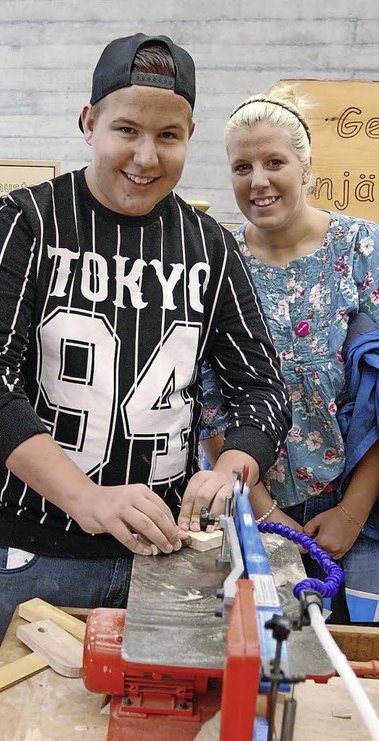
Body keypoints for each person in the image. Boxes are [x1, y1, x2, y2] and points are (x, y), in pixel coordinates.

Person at [0, 33, 291, 675]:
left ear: (190, 136)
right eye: (126, 129)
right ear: (88, 122)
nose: (145, 156)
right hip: (36, 550)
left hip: (166, 554)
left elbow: (263, 387)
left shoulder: (209, 244)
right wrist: (87, 497)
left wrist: (233, 470)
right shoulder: (29, 221)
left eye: (169, 136)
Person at [201, 83, 379, 623]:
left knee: (359, 667)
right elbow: (208, 404)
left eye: (274, 161)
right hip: (253, 508)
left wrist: (351, 512)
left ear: (306, 168)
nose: (258, 181)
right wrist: (271, 517)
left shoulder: (362, 249)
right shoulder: (219, 264)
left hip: (362, 512)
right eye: (241, 167)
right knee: (272, 661)